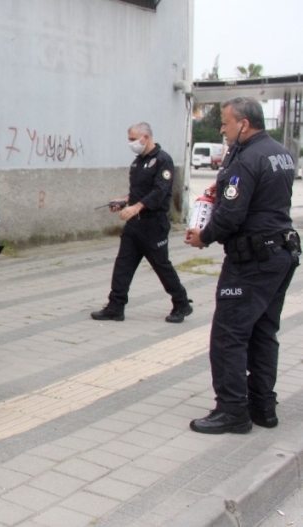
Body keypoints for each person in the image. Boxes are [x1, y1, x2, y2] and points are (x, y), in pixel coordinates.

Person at [185, 97, 298, 434]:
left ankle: (232, 410)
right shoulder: (279, 152)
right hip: (280, 254)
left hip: (252, 261)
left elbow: (232, 216)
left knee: (228, 336)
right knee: (264, 331)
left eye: (225, 122)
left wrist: (204, 236)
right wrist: (223, 190)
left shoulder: (246, 159)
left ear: (244, 124)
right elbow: (259, 197)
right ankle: (263, 406)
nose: (221, 128)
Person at [91, 122, 193, 323]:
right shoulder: (138, 162)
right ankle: (115, 306)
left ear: (145, 137)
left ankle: (182, 303)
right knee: (123, 265)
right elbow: (137, 193)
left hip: (153, 224)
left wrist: (136, 207)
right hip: (134, 225)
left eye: (133, 139)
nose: (130, 143)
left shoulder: (163, 161)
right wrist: (123, 202)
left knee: (161, 266)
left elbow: (159, 191)